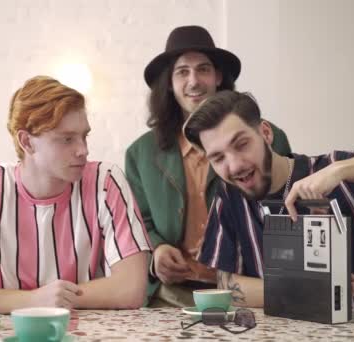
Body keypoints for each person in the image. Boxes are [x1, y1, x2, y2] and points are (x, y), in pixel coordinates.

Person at [183, 90, 354, 311]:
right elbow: (227, 282)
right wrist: (303, 289)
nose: (234, 165)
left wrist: (340, 170)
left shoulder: (337, 172)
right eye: (218, 158)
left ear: (265, 133)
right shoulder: (229, 196)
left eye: (241, 144)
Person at [0, 76, 152, 314]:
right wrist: (31, 300)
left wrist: (52, 299)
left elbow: (131, 289)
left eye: (84, 136)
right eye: (67, 139)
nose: (83, 150)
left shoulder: (105, 181)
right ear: (27, 142)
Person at [125, 25, 292, 307]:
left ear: (218, 77)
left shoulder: (268, 137)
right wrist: (159, 251)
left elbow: (286, 212)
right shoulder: (139, 154)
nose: (194, 81)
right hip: (169, 296)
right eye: (182, 72)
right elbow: (137, 222)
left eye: (203, 69)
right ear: (169, 82)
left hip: (248, 292)